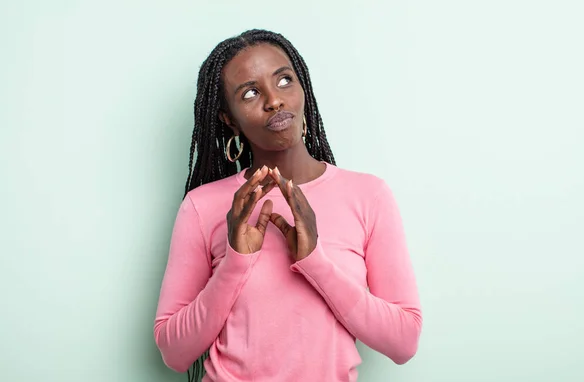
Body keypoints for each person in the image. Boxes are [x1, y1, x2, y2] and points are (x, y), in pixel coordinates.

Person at [153, 29, 422, 382]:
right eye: (250, 92)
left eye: (284, 80)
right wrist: (235, 263)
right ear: (229, 119)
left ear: (302, 89)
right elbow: (175, 353)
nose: (274, 100)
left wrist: (316, 263)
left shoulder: (368, 195)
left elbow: (404, 342)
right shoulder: (203, 207)